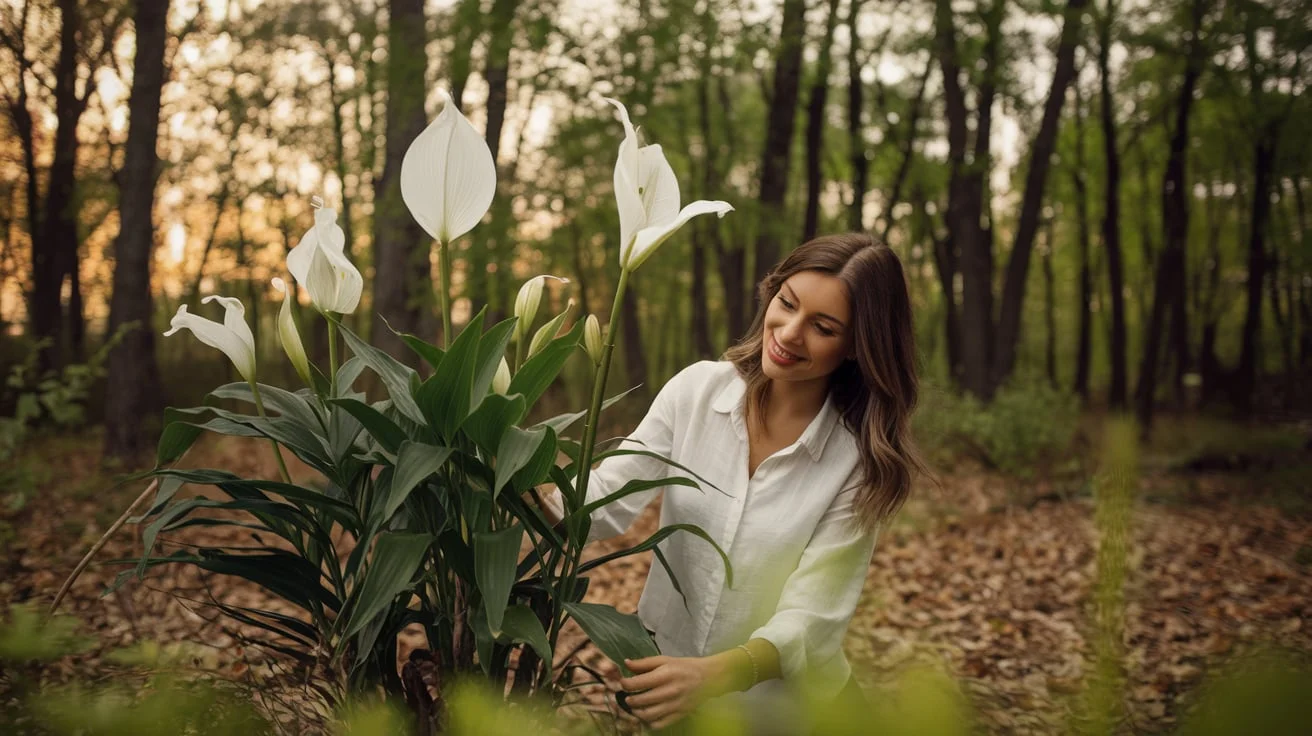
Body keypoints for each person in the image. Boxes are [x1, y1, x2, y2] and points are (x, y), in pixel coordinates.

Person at [544, 233, 926, 732]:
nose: (789, 333)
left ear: (857, 346)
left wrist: (711, 677)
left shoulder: (857, 462)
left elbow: (811, 617)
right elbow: (603, 499)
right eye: (786, 304)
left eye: (823, 327)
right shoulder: (696, 392)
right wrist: (510, 479)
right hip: (669, 690)